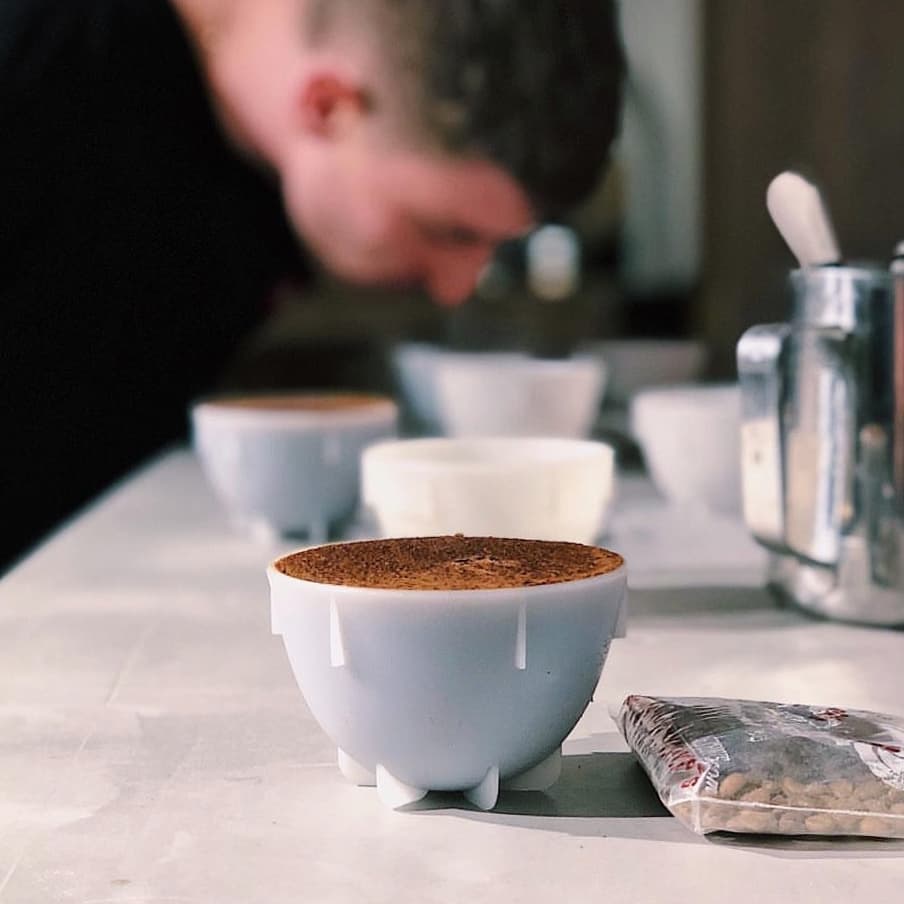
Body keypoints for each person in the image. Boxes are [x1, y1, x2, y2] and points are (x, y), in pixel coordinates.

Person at [0, 0, 624, 570]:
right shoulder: (35, 66)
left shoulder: (268, 170)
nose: (456, 287)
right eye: (446, 231)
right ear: (326, 105)